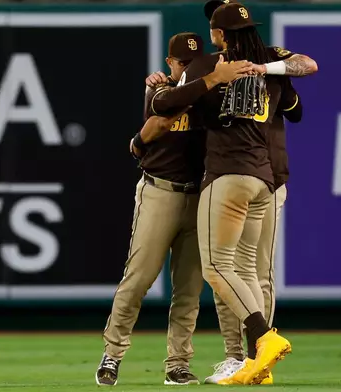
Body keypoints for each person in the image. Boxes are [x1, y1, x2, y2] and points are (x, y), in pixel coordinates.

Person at [147, 3, 303, 385]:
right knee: (250, 269)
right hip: (264, 179)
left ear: (217, 35)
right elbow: (298, 98)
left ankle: (263, 340)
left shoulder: (207, 66)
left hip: (228, 176)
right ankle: (256, 363)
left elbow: (162, 104)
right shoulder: (267, 64)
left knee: (217, 267)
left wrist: (209, 81)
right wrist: (267, 68)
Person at [96, 32, 251, 386]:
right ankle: (112, 354)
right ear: (170, 63)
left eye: (193, 63)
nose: (187, 67)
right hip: (160, 191)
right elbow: (160, 119)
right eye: (182, 62)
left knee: (189, 288)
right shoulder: (161, 89)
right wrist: (201, 83)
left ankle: (177, 363)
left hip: (200, 195)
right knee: (138, 279)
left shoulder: (211, 92)